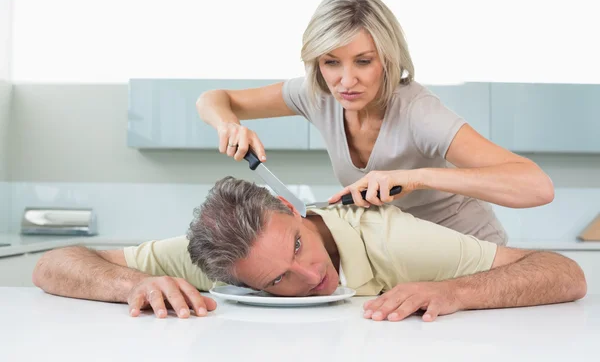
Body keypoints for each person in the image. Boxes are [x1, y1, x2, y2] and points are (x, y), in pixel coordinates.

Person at [196, 0, 555, 246]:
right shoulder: (317, 94)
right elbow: (214, 98)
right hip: (409, 254)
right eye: (331, 62)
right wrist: (228, 124)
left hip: (472, 250)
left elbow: (537, 186)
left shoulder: (418, 113)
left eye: (363, 61)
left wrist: (415, 178)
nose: (346, 81)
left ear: (388, 58)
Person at [33, 177, 585, 323]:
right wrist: (133, 285)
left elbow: (563, 272)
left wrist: (454, 291)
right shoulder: (218, 255)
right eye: (278, 281)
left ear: (288, 206)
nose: (311, 272)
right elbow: (51, 264)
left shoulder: (390, 239)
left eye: (298, 245)